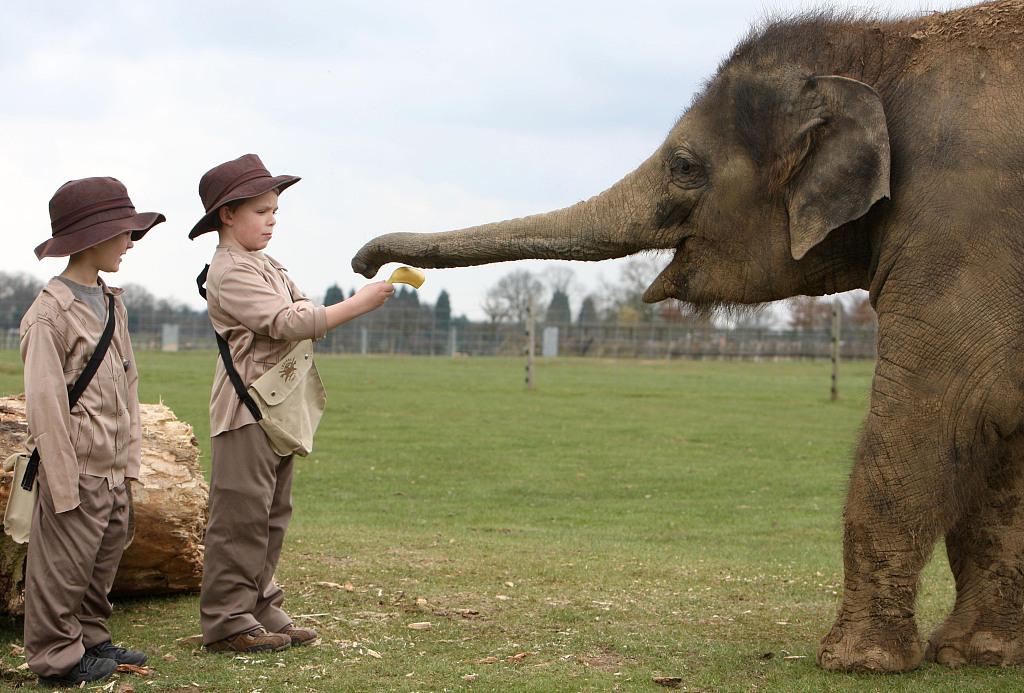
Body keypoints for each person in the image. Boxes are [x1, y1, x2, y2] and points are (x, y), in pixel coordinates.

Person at [190, 154, 394, 653]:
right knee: (239, 517)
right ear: (227, 215)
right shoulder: (231, 271)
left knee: (272, 513)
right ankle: (226, 620)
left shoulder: (264, 264)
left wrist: (310, 312)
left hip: (277, 407)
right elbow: (288, 321)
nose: (272, 220)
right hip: (247, 411)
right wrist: (357, 305)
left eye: (274, 210)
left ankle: (260, 604)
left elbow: (298, 308)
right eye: (261, 211)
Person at [21, 177, 164, 686]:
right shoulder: (49, 314)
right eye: (123, 233)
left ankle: (91, 638)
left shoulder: (112, 301)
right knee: (61, 570)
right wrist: (62, 485)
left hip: (111, 466)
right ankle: (58, 660)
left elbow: (129, 384)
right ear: (91, 237)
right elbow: (45, 404)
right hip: (75, 469)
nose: (129, 242)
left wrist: (129, 465)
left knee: (100, 563)